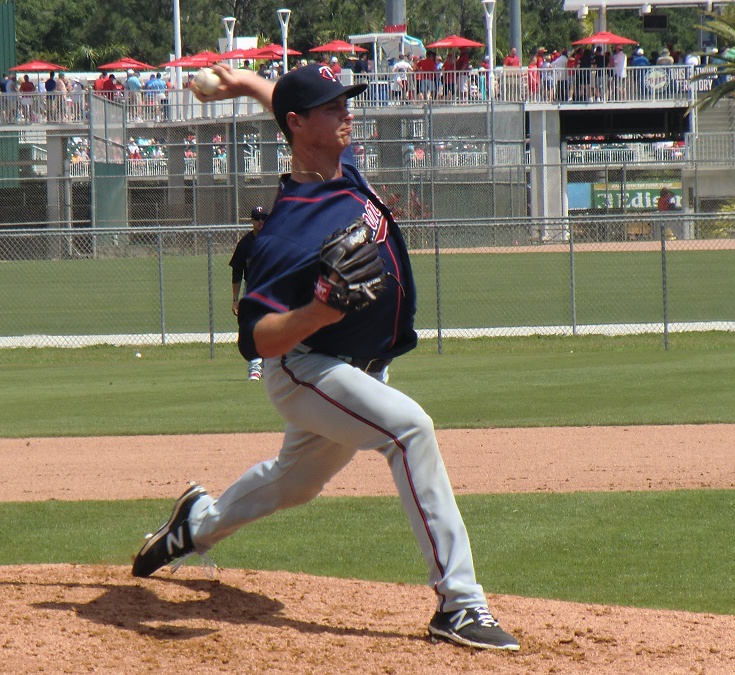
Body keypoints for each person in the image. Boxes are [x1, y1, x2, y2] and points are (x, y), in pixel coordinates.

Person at [132, 62, 520, 653]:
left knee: (294, 484)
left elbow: (286, 105)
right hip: (305, 367)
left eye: (346, 101)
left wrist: (243, 84)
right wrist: (316, 311)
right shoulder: (287, 230)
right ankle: (460, 605)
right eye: (334, 106)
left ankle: (194, 524)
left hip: (356, 367)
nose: (348, 112)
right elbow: (257, 338)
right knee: (410, 429)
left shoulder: (341, 166)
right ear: (299, 125)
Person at [230, 206, 268, 380]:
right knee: (251, 329)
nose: (260, 221)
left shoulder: (273, 240)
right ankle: (255, 367)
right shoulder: (245, 244)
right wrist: (235, 299)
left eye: (263, 218)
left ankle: (270, 366)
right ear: (252, 221)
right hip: (252, 291)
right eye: (257, 218)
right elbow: (237, 272)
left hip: (273, 290)